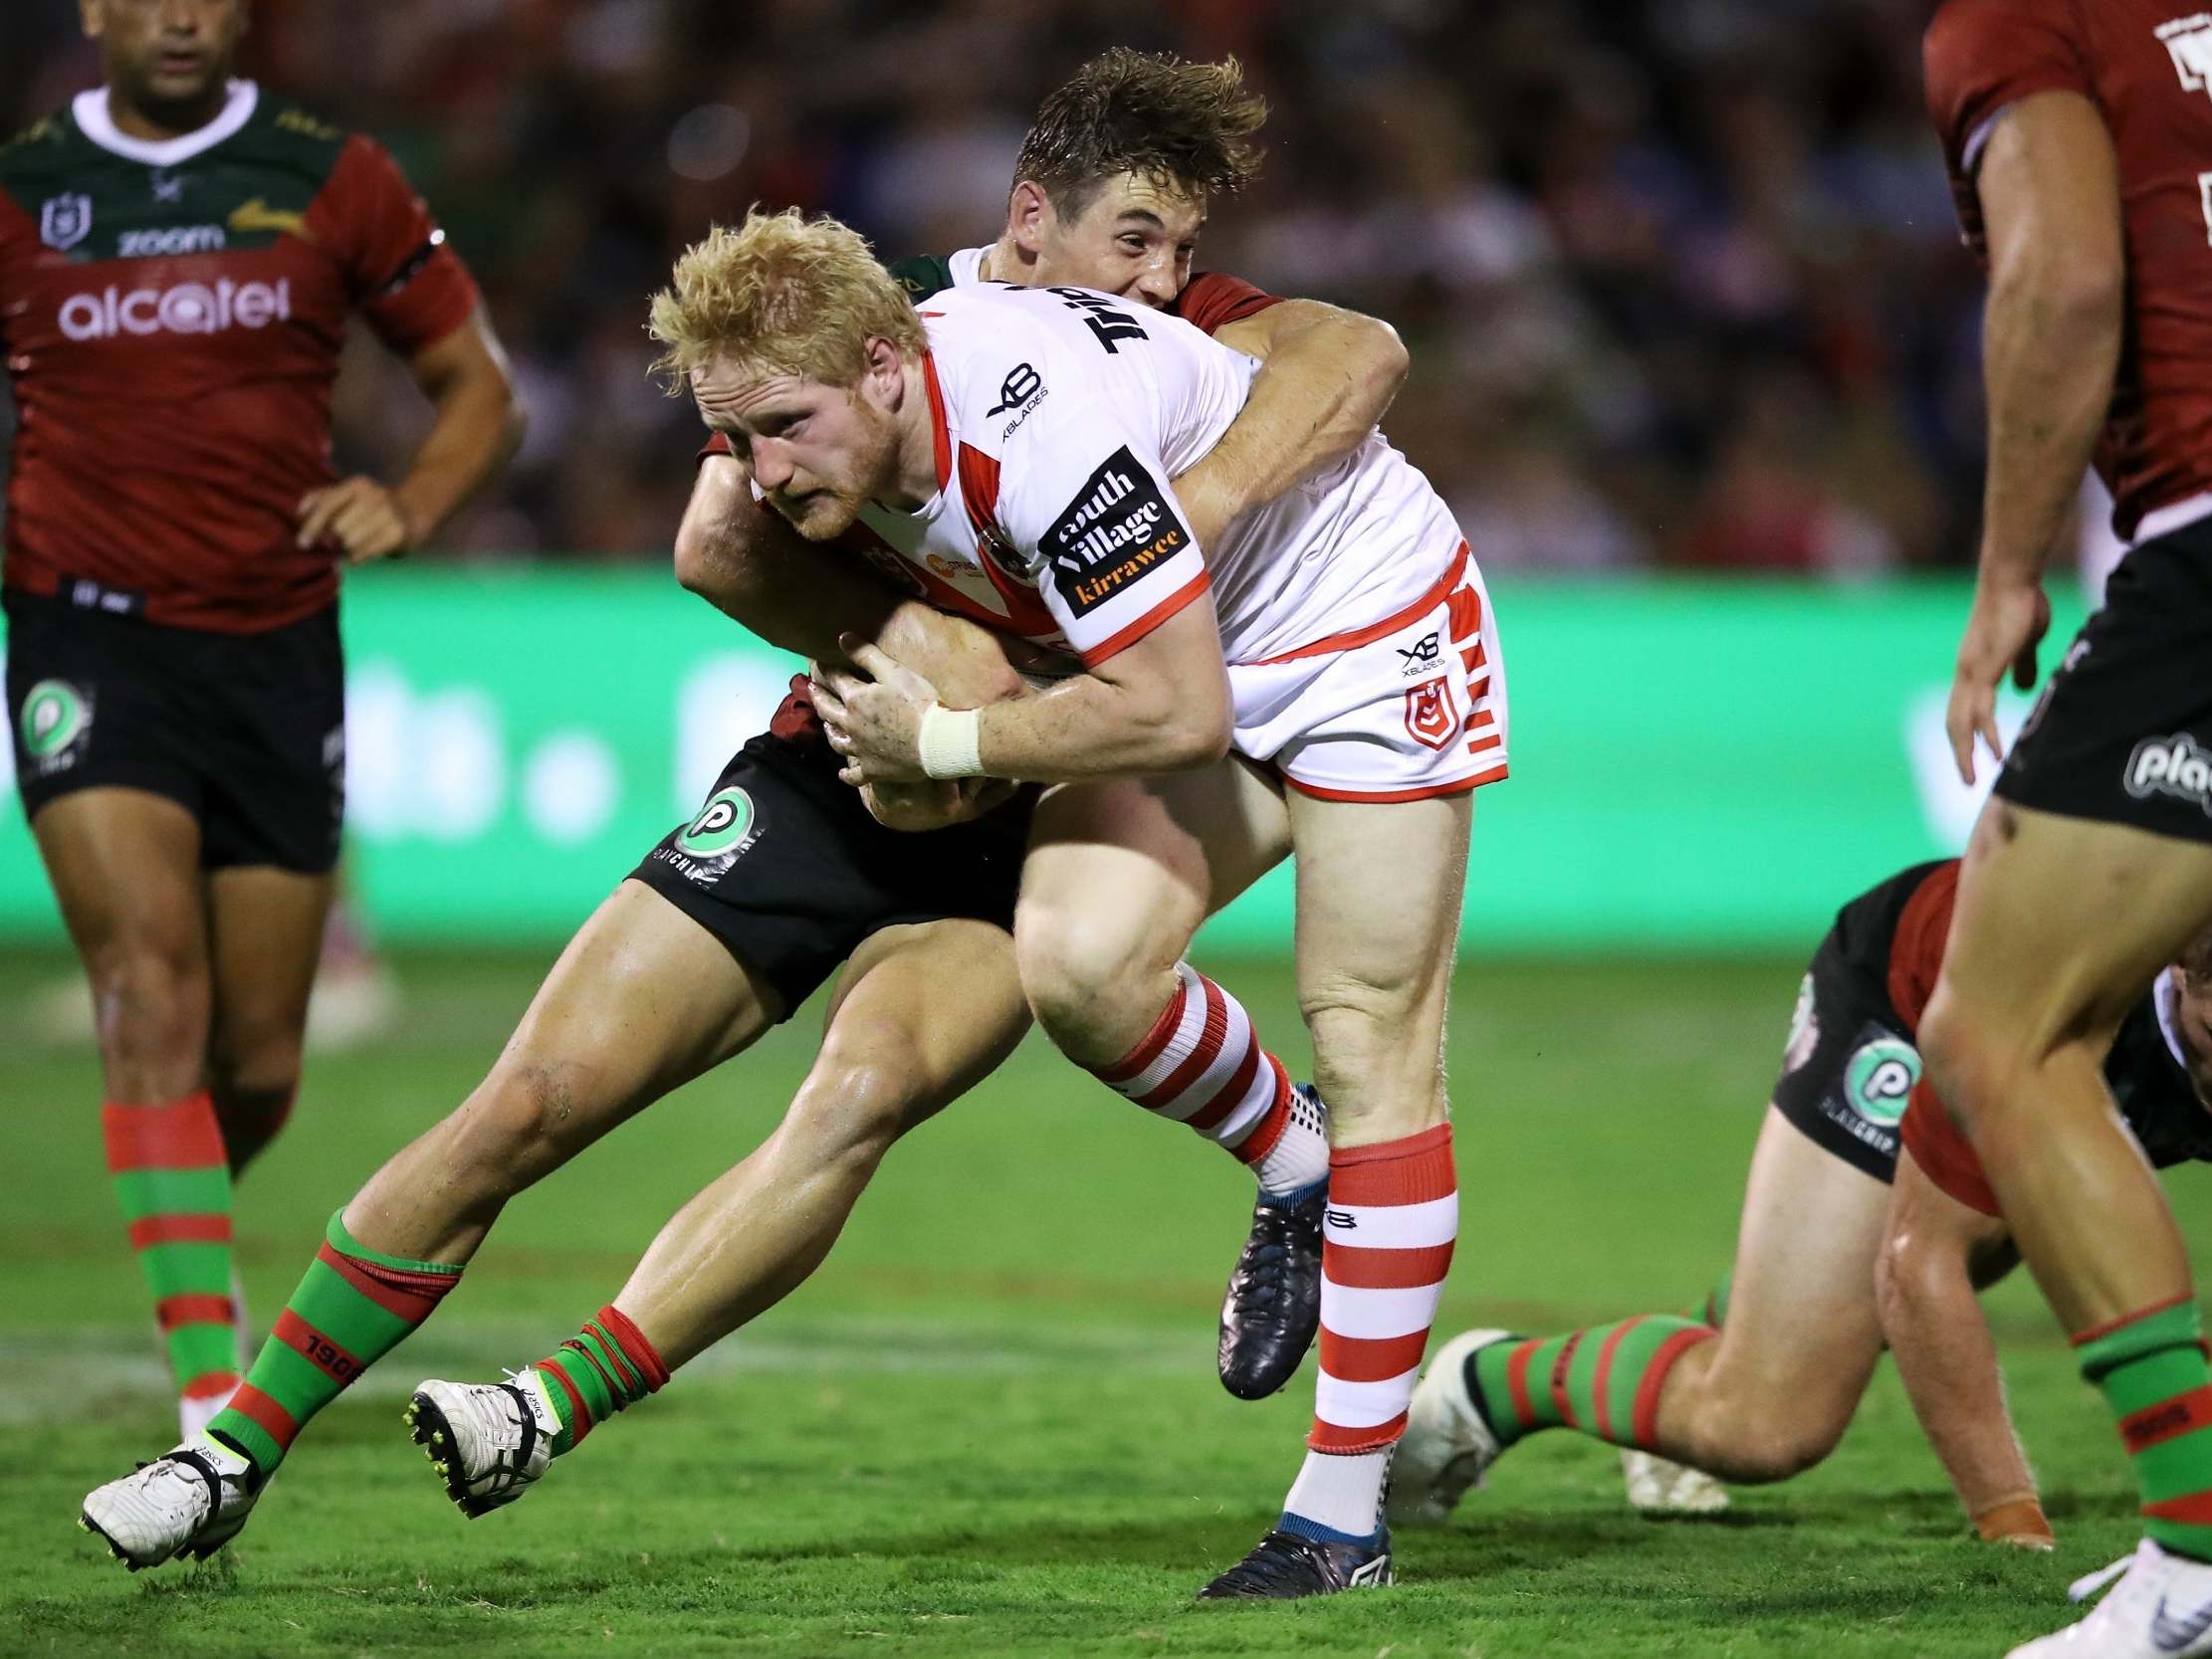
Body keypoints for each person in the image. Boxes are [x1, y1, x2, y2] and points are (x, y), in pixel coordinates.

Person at [78, 52, 1412, 1574]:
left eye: (1181, 247)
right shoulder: (859, 315)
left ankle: (544, 1407)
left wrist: (1193, 515)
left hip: (1047, 805)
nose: (1170, 278)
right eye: (1137, 242)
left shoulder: (1164, 336)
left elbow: (1356, 348)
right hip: (838, 759)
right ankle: (225, 1450)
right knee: (528, 1100)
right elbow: (720, 536)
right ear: (1027, 222)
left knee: (857, 1093)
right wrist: (915, 649)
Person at [662, 203, 1503, 1597]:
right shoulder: (872, 419)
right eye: (735, 437)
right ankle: (1290, 1157)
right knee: (1074, 964)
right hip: (1206, 637)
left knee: (1369, 1038)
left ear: (883, 365)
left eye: (784, 424)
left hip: (1361, 624)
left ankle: (1338, 1519)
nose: (760, 468)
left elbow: (1168, 709)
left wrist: (944, 744)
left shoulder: (1027, 440)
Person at [1, 0, 519, 1443]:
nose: (179, 14)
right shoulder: (25, 188)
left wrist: (411, 499)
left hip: (276, 647)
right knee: (147, 988)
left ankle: (178, 1222)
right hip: (81, 631)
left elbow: (480, 387)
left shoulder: (330, 174)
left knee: (260, 1060)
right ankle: (207, 1385)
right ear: (94, 9)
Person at [1391, 859, 2212, 1555]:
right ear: (2180, 961)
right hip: (1909, 997)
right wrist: (2015, 1533)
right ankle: (1485, 1386)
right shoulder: (2047, 1007)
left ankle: (1732, 1331)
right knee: (1765, 1421)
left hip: (2041, 1017)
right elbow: (1920, 1266)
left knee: (1956, 1248)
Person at [1913, 3, 2212, 1650]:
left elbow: (2066, 278)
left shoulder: (2015, 17)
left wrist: (2009, 566)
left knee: (2003, 1026)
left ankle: (2195, 1565)